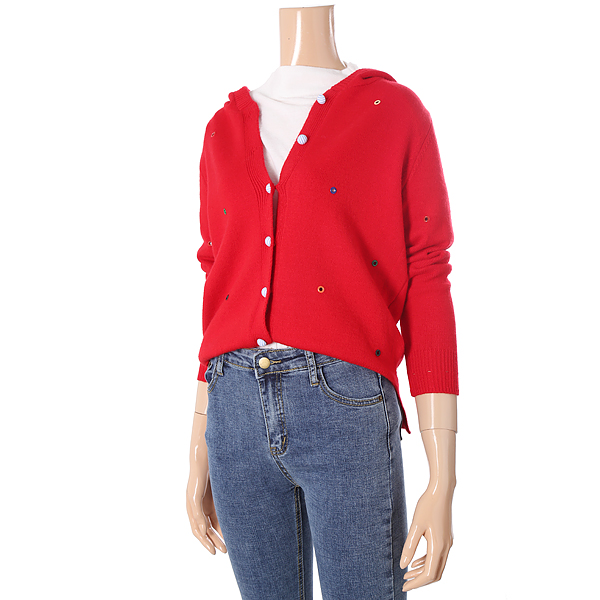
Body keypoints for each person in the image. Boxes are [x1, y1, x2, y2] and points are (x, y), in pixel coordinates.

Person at [186, 6, 459, 599]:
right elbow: (216, 278)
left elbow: (427, 273)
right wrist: (197, 446)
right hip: (232, 407)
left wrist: (444, 480)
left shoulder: (393, 113)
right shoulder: (222, 127)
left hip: (345, 404)